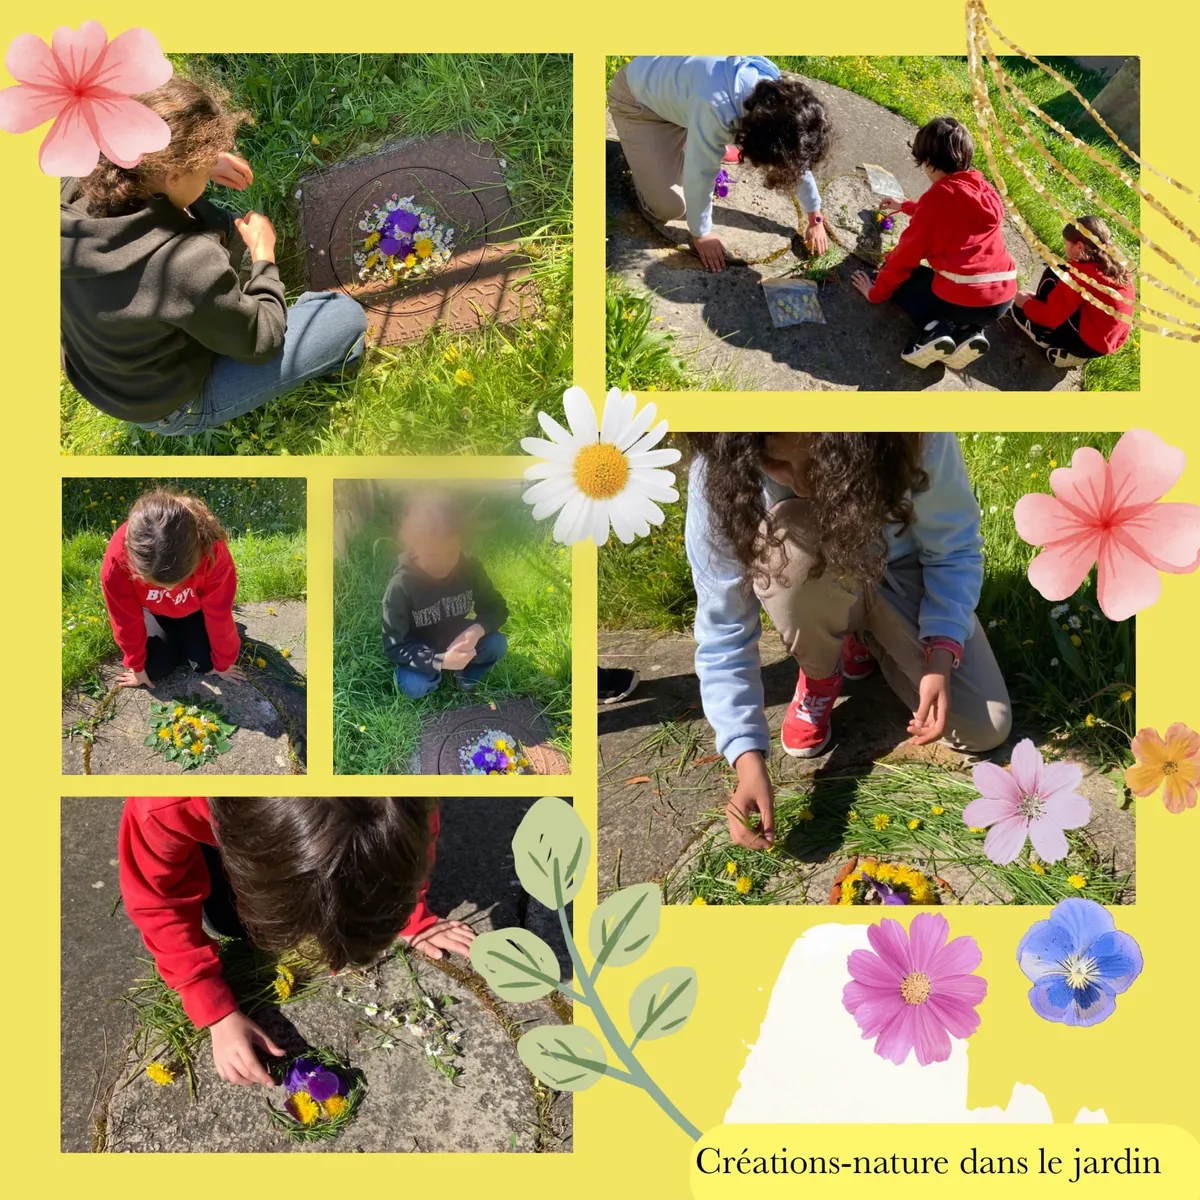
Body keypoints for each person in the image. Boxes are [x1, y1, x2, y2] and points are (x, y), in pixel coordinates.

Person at [685, 432, 1012, 849]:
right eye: (777, 464)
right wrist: (745, 755)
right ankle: (821, 667)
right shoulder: (719, 468)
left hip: (898, 574)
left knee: (985, 728)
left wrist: (942, 650)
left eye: (815, 464)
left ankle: (860, 636)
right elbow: (723, 626)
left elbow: (954, 550)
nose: (801, 485)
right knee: (793, 549)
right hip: (810, 580)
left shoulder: (915, 434)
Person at [60, 76, 367, 435]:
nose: (208, 169)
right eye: (201, 164)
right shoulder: (184, 265)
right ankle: (338, 357)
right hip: (171, 404)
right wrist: (263, 258)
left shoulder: (71, 179)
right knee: (343, 317)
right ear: (171, 173)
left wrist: (202, 161)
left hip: (107, 374)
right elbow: (262, 340)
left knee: (205, 218)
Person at [119, 796, 473, 1087]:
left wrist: (410, 914)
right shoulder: (165, 802)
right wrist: (208, 1001)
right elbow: (156, 897)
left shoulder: (401, 801)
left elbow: (414, 848)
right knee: (231, 922)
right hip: (224, 821)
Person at [608, 56, 832, 272]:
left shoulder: (775, 99)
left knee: (708, 135)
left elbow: (795, 158)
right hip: (638, 106)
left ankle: (699, 139)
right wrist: (701, 234)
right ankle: (687, 143)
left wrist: (815, 216)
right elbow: (700, 175)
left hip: (683, 103)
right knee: (670, 207)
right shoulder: (717, 107)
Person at [851, 117, 1017, 369]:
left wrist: (875, 292)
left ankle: (935, 331)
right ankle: (968, 333)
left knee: (905, 282)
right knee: (959, 294)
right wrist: (907, 206)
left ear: (928, 162)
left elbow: (903, 258)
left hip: (964, 300)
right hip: (1002, 300)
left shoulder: (938, 196)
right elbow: (953, 214)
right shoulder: (983, 188)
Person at [101, 488, 245, 689]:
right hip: (152, 612)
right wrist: (136, 665)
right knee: (154, 669)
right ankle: (178, 642)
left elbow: (219, 611)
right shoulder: (117, 560)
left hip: (195, 609)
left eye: (179, 581)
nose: (170, 590)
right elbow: (123, 616)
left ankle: (185, 641)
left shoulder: (212, 550)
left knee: (206, 664)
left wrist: (224, 662)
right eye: (160, 584)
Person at [382, 492, 509, 699]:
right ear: (413, 548)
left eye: (451, 553)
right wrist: (439, 661)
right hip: (419, 646)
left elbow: (497, 607)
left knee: (497, 644)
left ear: (461, 544)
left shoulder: (471, 568)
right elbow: (394, 645)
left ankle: (465, 675)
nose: (443, 563)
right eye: (432, 556)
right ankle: (439, 673)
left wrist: (475, 631)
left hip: (457, 637)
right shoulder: (400, 585)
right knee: (413, 686)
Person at [1011, 216, 1136, 368]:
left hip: (1087, 343)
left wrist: (1026, 304)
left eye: (1066, 244)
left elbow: (1051, 317)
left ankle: (1043, 334)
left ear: (1079, 246)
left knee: (1021, 306)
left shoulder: (1082, 274)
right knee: (1061, 272)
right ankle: (1073, 352)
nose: (1065, 248)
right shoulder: (1116, 265)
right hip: (1108, 340)